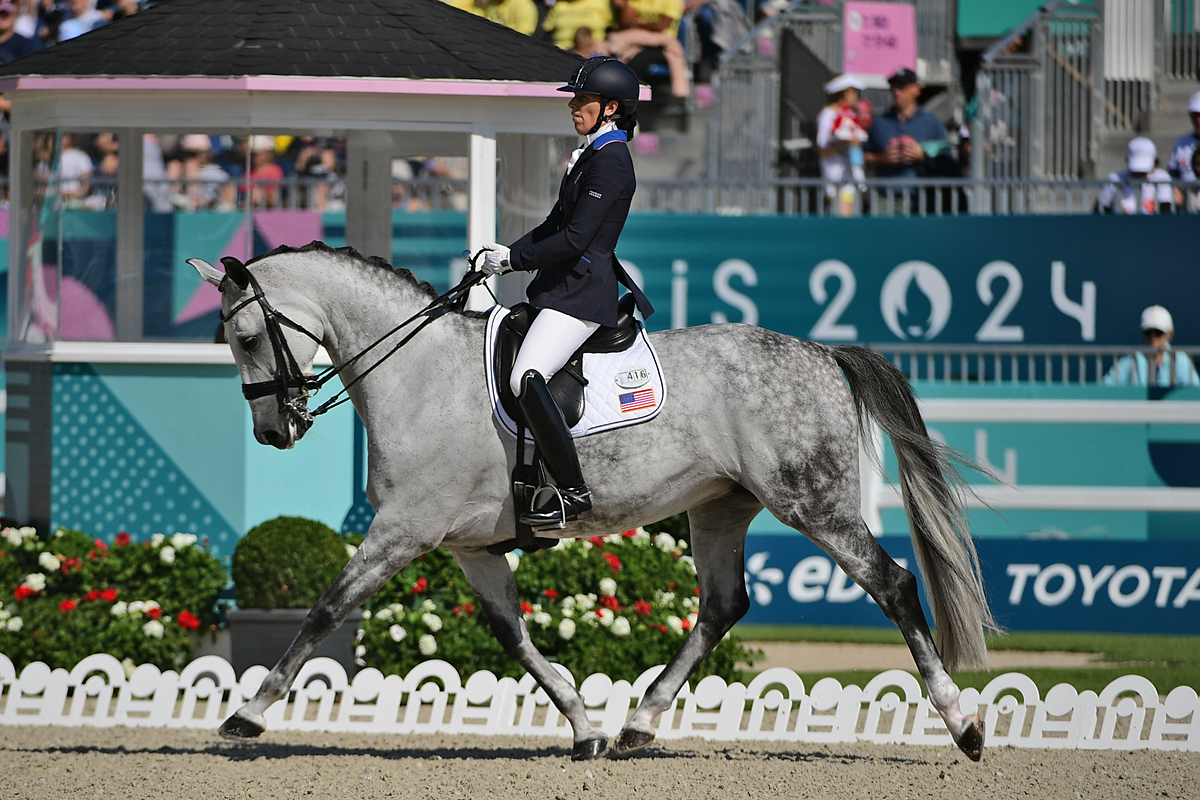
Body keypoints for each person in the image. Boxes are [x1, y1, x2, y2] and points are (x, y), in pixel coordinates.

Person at [475, 57, 655, 528]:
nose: (573, 106)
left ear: (611, 107)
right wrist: (504, 252)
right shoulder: (592, 154)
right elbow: (553, 225)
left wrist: (514, 262)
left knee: (525, 376)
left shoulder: (612, 161)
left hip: (581, 294)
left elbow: (575, 239)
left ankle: (573, 492)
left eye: (583, 99)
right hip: (559, 286)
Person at [864, 68, 950, 179]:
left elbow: (946, 158)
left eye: (902, 86)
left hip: (921, 193)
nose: (896, 91)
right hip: (885, 194)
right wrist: (882, 158)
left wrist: (922, 156)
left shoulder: (932, 123)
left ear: (916, 90)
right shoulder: (879, 122)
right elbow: (864, 157)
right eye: (893, 86)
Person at [1103, 305, 1200, 387]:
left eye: (1158, 332)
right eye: (1148, 332)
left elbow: (1194, 391)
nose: (1153, 337)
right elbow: (1107, 385)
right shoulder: (1132, 359)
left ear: (1169, 334)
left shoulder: (1179, 359)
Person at [816, 73, 867, 215]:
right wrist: (843, 144)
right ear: (843, 93)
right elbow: (822, 151)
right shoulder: (827, 115)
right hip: (837, 184)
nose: (856, 96)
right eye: (853, 92)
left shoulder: (849, 114)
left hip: (850, 182)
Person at [1097, 137, 1173, 215]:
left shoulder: (1162, 178)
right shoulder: (1115, 179)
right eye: (1136, 170)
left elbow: (1166, 211)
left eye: (1144, 171)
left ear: (1155, 162)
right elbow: (1099, 210)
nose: (1139, 174)